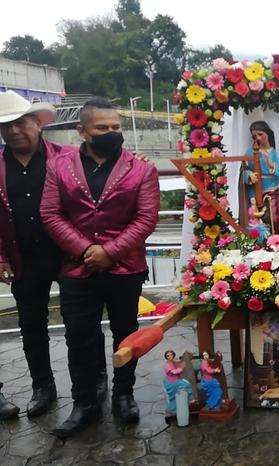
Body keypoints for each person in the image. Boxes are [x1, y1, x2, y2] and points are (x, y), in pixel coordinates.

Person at [41, 97, 160, 437]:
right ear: (82, 131)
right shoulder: (59, 167)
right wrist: (85, 250)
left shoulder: (142, 169)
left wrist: (109, 252)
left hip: (125, 268)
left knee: (127, 334)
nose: (111, 133)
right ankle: (84, 404)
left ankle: (124, 395)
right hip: (77, 269)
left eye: (116, 127)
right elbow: (51, 213)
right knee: (79, 337)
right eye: (102, 128)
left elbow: (146, 218)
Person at [0, 90, 110, 419]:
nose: (14, 131)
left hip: (69, 254)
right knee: (31, 324)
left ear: (38, 123)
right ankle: (42, 386)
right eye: (6, 126)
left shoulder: (65, 157)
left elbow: (96, 190)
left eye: (21, 123)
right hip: (23, 257)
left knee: (84, 322)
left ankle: (96, 378)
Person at [244, 121, 279, 235]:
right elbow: (243, 169)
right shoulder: (250, 152)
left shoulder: (274, 152)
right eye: (255, 136)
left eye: (260, 134)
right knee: (256, 222)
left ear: (267, 134)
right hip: (255, 192)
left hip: (272, 190)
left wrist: (270, 163)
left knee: (274, 219)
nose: (258, 138)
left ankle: (276, 241)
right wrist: (249, 175)